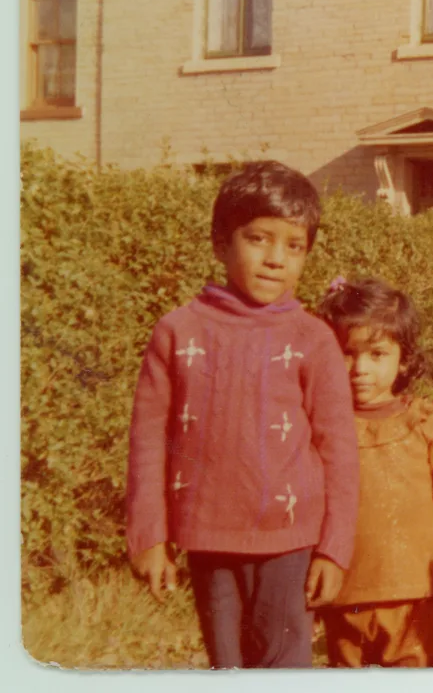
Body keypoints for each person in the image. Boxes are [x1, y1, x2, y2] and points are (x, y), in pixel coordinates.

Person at [126, 160, 359, 669]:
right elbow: (147, 439)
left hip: (290, 539)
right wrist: (150, 536)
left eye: (294, 246)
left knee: (283, 664)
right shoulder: (178, 332)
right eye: (259, 239)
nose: (276, 259)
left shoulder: (313, 339)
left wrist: (334, 549)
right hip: (207, 536)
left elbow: (338, 451)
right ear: (220, 243)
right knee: (227, 667)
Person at [316, 275, 433, 667]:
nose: (359, 368)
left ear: (404, 357)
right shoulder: (322, 427)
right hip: (344, 590)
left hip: (413, 592)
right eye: (346, 353)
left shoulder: (422, 423)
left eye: (376, 354)